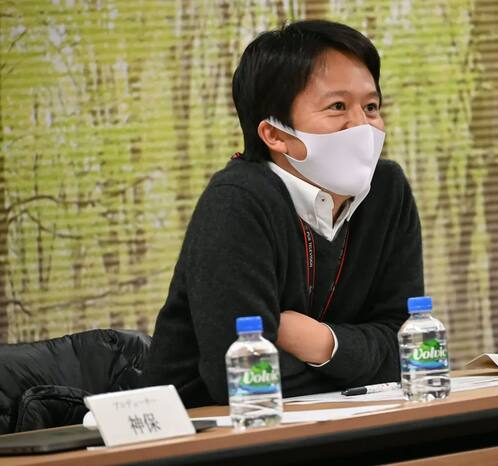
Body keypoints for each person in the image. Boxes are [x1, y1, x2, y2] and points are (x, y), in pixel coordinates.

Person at [144, 19, 424, 407]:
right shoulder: (236, 201)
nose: (363, 126)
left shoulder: (387, 190)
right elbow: (242, 379)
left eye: (371, 107)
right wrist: (365, 360)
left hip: (345, 418)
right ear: (275, 135)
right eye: (338, 106)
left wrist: (321, 342)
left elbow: (412, 349)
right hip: (208, 427)